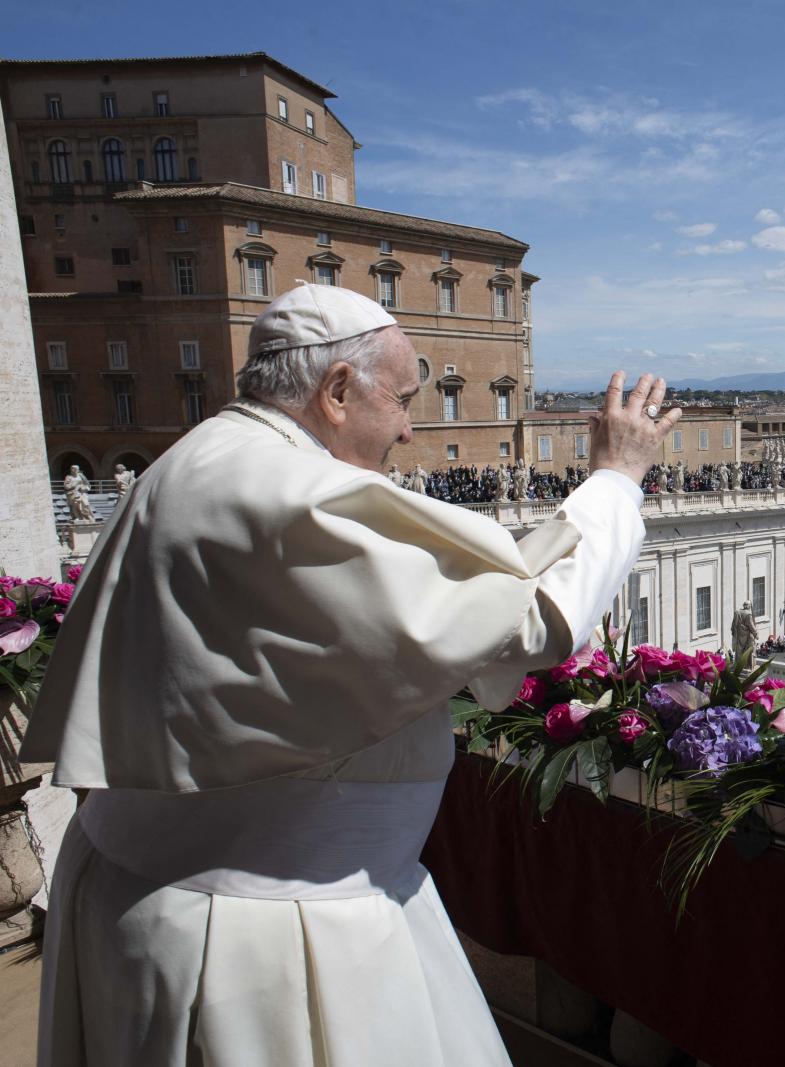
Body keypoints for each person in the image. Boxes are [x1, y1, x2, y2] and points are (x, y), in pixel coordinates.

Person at [21, 284, 683, 1066]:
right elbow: (529, 615)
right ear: (337, 391)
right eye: (403, 400)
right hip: (260, 936)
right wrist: (615, 480)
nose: (409, 426)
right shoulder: (289, 492)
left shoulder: (191, 463)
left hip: (142, 896)